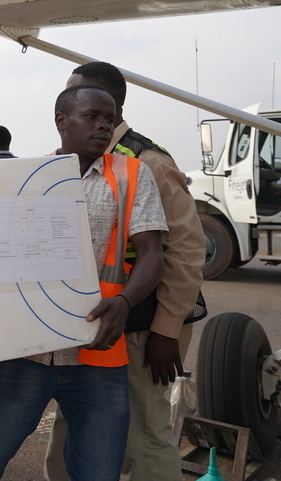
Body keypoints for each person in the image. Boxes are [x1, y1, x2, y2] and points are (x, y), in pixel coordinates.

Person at [0, 85, 167, 481]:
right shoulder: (23, 176)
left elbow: (153, 253)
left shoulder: (133, 174)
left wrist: (125, 303)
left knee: (100, 472)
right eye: (92, 116)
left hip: (99, 352)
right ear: (61, 121)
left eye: (110, 118)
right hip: (29, 352)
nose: (104, 125)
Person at [44, 62, 206, 481]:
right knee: (74, 429)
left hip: (140, 326)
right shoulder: (72, 161)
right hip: (90, 323)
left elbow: (185, 251)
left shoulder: (148, 160)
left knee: (144, 439)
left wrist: (166, 331)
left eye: (75, 94)